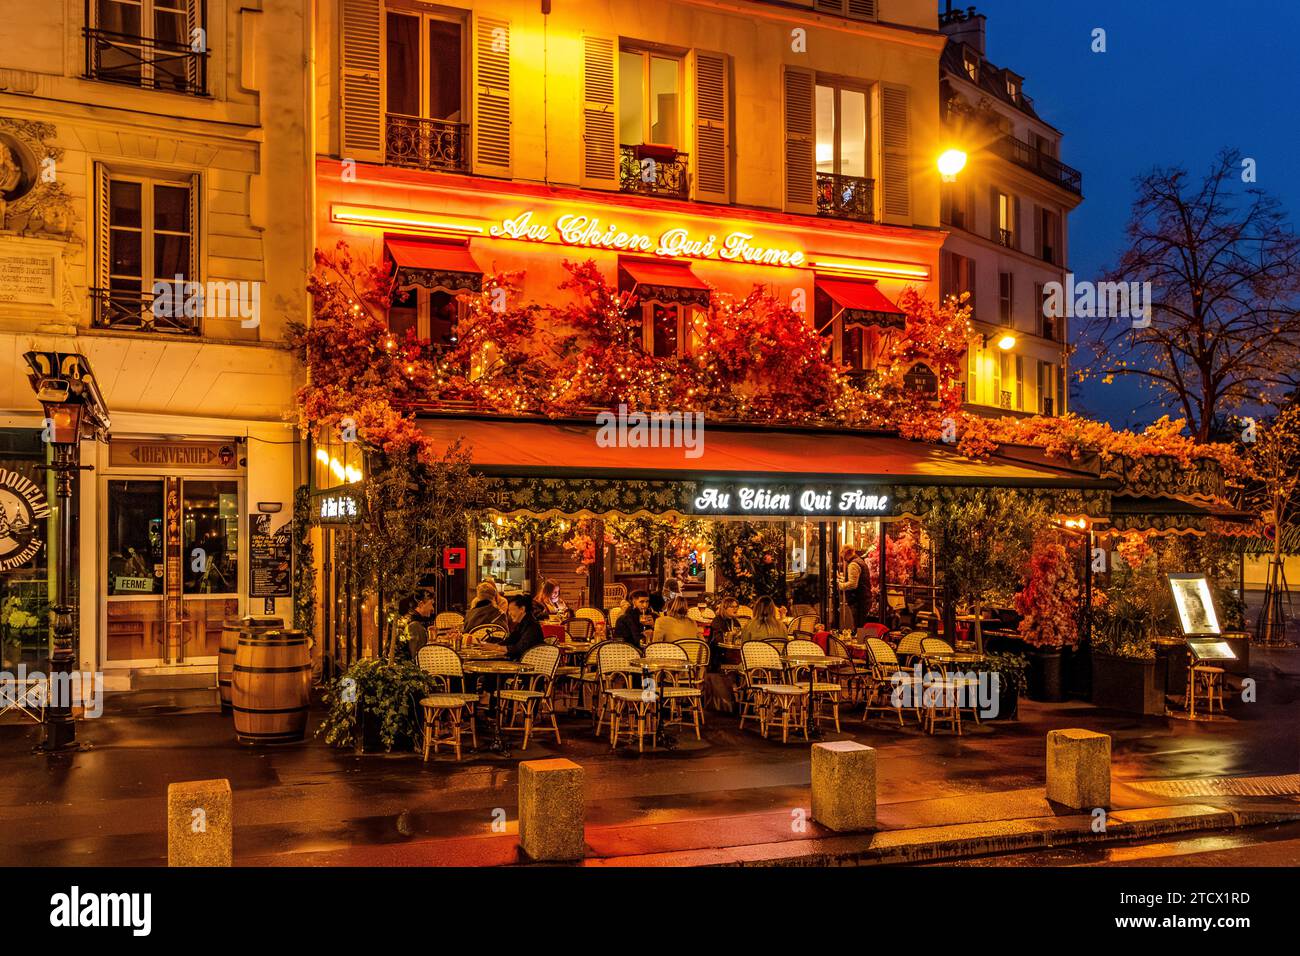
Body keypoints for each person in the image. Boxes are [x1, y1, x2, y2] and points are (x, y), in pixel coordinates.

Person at [837, 545, 871, 632]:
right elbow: (858, 580)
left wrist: (840, 585)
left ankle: (861, 643)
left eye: (842, 554)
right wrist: (844, 579)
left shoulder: (853, 564)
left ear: (846, 553)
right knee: (862, 625)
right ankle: (863, 642)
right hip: (864, 598)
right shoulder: (860, 561)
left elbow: (853, 584)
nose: (842, 558)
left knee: (859, 626)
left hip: (858, 600)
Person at [503, 594, 545, 662]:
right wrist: (492, 646)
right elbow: (511, 640)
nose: (509, 614)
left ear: (522, 609)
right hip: (522, 662)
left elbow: (519, 649)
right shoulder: (522, 624)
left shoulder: (532, 626)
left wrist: (498, 648)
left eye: (511, 610)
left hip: (531, 666)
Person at [405, 592, 436, 660]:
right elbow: (417, 657)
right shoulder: (414, 625)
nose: (432, 609)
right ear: (421, 604)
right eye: (431, 604)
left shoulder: (416, 620)